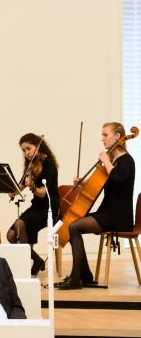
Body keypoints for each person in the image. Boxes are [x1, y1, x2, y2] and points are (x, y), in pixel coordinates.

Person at [55, 122, 136, 290]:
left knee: (75, 227)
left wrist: (106, 161)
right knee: (73, 225)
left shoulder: (126, 161)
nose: (102, 138)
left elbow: (117, 178)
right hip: (108, 213)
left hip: (119, 217)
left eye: (105, 135)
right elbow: (101, 183)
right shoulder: (114, 161)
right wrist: (83, 182)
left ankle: (77, 277)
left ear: (118, 137)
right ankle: (84, 276)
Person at [7, 134, 59, 277]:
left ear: (38, 146)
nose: (26, 153)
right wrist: (12, 191)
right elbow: (21, 185)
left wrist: (34, 188)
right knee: (11, 235)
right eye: (23, 150)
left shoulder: (49, 166)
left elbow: (42, 193)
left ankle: (24, 266)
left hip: (49, 208)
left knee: (19, 225)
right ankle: (37, 260)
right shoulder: (30, 165)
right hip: (36, 207)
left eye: (28, 149)